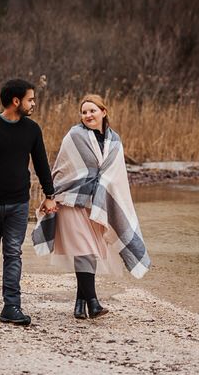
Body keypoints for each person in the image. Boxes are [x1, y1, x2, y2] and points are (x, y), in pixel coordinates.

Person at [32, 94, 150, 319]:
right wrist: (51, 197)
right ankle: (93, 303)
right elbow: (63, 169)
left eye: (92, 111)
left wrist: (105, 189)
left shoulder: (115, 141)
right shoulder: (74, 136)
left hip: (97, 206)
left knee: (88, 254)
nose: (88, 115)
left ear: (103, 112)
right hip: (71, 202)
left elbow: (116, 175)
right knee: (86, 249)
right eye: (84, 112)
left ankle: (79, 304)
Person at [0, 78, 54, 326]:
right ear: (16, 101)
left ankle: (12, 306)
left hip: (19, 203)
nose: (33, 103)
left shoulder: (32, 129)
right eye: (30, 99)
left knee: (13, 253)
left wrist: (50, 195)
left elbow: (41, 164)